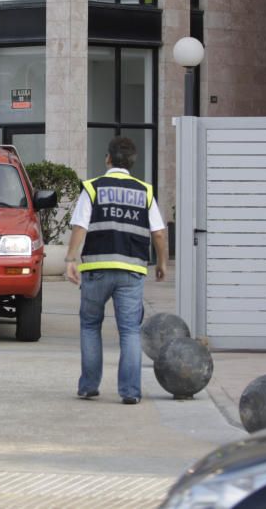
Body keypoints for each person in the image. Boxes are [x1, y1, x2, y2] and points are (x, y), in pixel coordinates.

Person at [64, 136, 169, 405]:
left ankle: (88, 386)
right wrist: (162, 263)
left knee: (89, 325)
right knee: (130, 331)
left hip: (97, 268)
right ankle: (130, 392)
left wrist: (70, 259)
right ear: (132, 162)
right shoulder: (145, 191)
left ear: (108, 159)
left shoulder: (92, 188)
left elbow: (80, 226)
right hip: (131, 271)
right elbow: (158, 233)